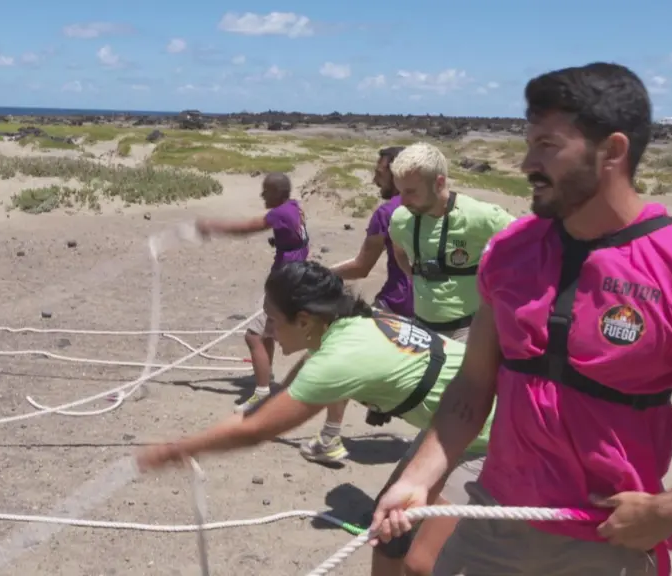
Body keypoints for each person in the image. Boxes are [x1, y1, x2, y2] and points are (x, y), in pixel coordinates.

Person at [370, 62, 672, 576]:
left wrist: (670, 510)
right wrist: (418, 477)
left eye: (547, 145)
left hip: (603, 543)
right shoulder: (510, 252)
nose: (527, 163)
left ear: (612, 151)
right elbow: (473, 386)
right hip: (492, 522)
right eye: (529, 143)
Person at [136, 260, 494, 576]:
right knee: (388, 529)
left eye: (273, 321)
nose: (267, 331)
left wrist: (177, 449)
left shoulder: (340, 357)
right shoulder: (347, 324)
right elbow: (296, 380)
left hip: (487, 433)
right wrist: (271, 401)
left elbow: (254, 430)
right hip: (448, 425)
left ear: (305, 320)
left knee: (421, 564)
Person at [301, 145, 414, 465]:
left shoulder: (387, 213)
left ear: (397, 175)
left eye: (379, 173)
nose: (375, 179)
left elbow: (362, 267)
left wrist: (320, 274)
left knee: (339, 352)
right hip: (442, 309)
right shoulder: (438, 206)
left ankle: (330, 438)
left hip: (399, 303)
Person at [195, 172, 310, 413]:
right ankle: (265, 381)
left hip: (284, 283)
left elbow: (247, 228)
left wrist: (212, 226)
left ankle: (262, 393)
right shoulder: (294, 207)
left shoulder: (279, 213)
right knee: (265, 334)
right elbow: (296, 237)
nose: (262, 195)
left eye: (266, 191)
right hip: (294, 278)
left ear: (277, 193)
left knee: (253, 336)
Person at [387, 142, 515, 341]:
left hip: (468, 330)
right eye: (400, 191)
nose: (403, 201)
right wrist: (412, 274)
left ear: (439, 183)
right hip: (421, 329)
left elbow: (529, 243)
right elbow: (399, 248)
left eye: (411, 192)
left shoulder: (480, 217)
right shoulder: (401, 219)